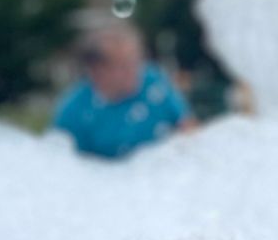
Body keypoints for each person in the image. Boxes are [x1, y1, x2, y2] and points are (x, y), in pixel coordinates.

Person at [50, 22, 192, 160]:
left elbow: (188, 128)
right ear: (97, 72)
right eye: (124, 65)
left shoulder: (154, 81)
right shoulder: (73, 113)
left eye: (137, 61)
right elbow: (64, 170)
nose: (136, 71)